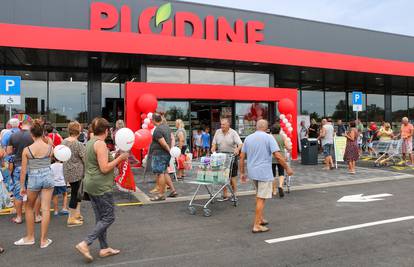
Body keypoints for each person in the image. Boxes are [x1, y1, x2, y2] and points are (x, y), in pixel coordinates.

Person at [75, 118, 129, 263]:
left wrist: (115, 157)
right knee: (109, 217)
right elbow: (104, 168)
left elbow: (98, 163)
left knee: (101, 218)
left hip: (91, 184)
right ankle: (85, 242)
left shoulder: (91, 141)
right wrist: (121, 158)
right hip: (101, 185)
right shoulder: (100, 144)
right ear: (106, 131)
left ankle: (104, 248)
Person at [240, 120, 293, 233]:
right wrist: (287, 167)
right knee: (261, 199)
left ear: (256, 126)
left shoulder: (248, 138)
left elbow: (242, 157)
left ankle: (260, 218)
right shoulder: (269, 138)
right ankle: (256, 225)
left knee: (258, 196)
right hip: (263, 172)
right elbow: (278, 155)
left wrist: (242, 173)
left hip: (252, 172)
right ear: (266, 128)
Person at [14, 120, 54, 249]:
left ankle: (30, 237)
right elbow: (51, 159)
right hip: (48, 176)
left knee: (29, 207)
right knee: (46, 208)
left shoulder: (27, 150)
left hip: (34, 178)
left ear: (32, 134)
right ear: (42, 133)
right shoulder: (49, 147)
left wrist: (22, 187)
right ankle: (44, 240)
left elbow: (24, 171)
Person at [6, 120, 34, 224]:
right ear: (30, 126)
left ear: (21, 125)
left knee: (18, 193)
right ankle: (36, 215)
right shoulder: (33, 135)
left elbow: (8, 152)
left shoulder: (13, 136)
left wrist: (16, 151)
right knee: (33, 192)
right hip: (32, 166)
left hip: (18, 166)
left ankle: (19, 217)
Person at [211, 118, 243, 201]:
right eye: (221, 124)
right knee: (223, 176)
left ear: (228, 125)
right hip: (221, 156)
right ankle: (225, 195)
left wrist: (237, 149)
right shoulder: (218, 132)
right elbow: (214, 143)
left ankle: (234, 194)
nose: (222, 126)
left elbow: (240, 143)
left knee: (232, 177)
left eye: (223, 124)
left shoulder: (233, 133)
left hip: (232, 156)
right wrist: (213, 148)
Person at [62, 121, 86, 227]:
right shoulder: (78, 144)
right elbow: (85, 159)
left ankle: (77, 214)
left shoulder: (64, 142)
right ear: (78, 131)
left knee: (76, 193)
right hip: (77, 172)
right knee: (75, 195)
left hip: (67, 171)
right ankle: (71, 218)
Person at [149, 114, 177, 201]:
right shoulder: (167, 127)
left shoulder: (157, 130)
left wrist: (170, 151)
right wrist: (171, 150)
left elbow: (163, 143)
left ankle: (161, 194)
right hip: (165, 155)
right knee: (165, 172)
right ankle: (173, 190)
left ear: (153, 120)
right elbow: (172, 139)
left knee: (160, 173)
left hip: (159, 154)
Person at [270, 123, 292, 197]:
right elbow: (288, 147)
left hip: (271, 157)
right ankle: (280, 186)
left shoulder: (269, 137)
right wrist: (288, 149)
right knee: (281, 172)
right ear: (279, 130)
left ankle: (274, 190)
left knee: (272, 174)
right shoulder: (282, 137)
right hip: (281, 157)